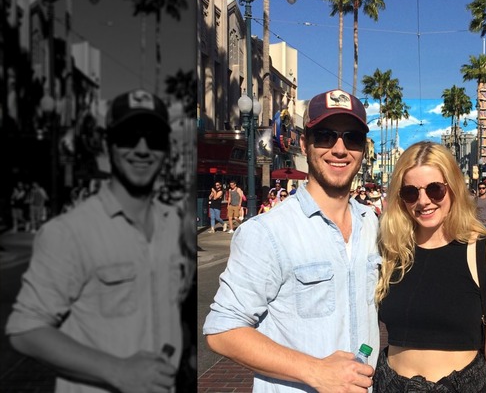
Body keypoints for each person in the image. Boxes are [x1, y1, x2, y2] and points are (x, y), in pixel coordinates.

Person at [6, 89, 194, 393]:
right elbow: (24, 329)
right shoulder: (69, 231)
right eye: (129, 136)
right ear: (109, 144)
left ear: (166, 148)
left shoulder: (175, 226)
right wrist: (117, 371)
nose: (142, 148)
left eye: (154, 138)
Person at [203, 88, 380, 391]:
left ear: (362, 149)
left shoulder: (371, 223)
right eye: (325, 135)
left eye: (351, 138)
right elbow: (222, 330)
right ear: (304, 142)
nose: (340, 149)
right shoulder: (267, 231)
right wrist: (315, 371)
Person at [374, 141, 486, 392]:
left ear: (453, 189)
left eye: (435, 189)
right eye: (410, 192)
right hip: (390, 385)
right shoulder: (390, 251)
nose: (423, 201)